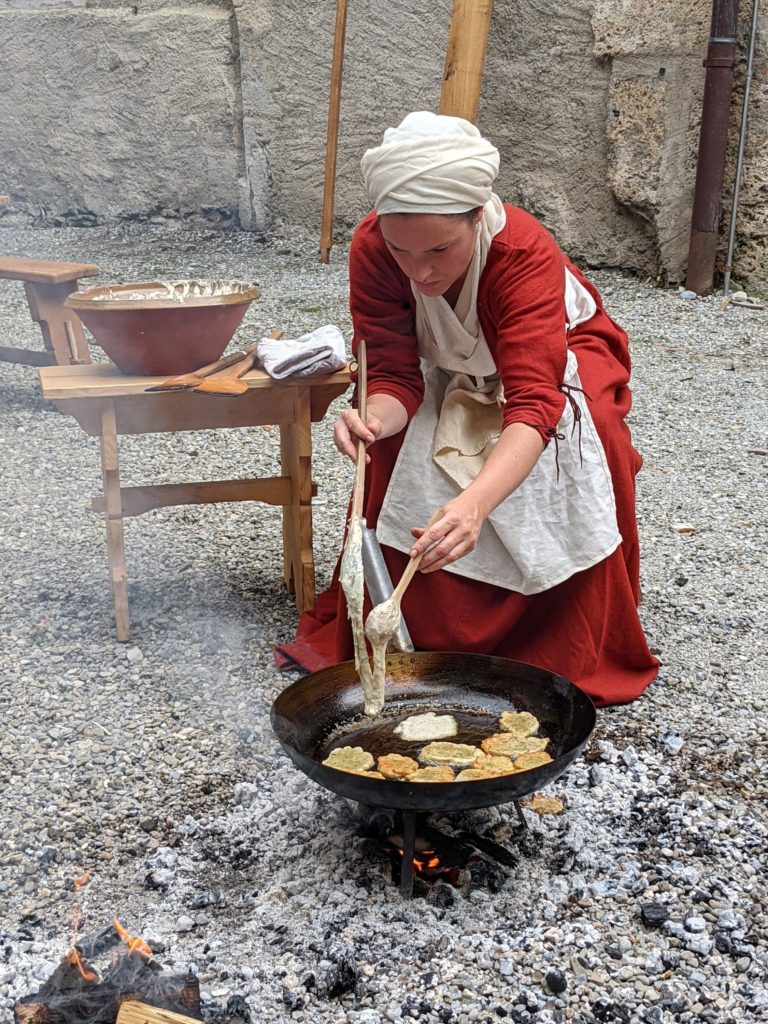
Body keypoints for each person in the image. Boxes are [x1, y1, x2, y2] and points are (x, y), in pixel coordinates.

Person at [275, 111, 659, 706]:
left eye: (440, 250)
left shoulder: (522, 252)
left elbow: (535, 402)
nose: (420, 272)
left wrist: (475, 504)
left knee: (588, 439)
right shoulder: (374, 248)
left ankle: (572, 629)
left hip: (551, 355)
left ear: (476, 219)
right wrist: (374, 419)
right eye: (403, 251)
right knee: (395, 451)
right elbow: (397, 376)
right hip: (445, 362)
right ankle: (413, 632)